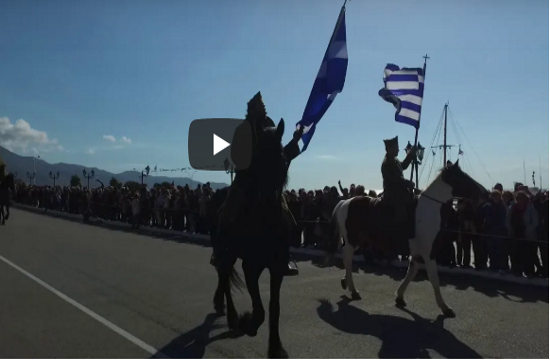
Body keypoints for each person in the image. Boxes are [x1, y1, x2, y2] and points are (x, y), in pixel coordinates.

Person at [217, 92, 304, 275]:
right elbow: (236, 155)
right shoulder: (243, 128)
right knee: (229, 207)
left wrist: (295, 140)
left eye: (265, 107)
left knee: (285, 213)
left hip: (267, 179)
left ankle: (284, 256)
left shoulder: (270, 125)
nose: (264, 109)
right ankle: (221, 249)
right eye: (261, 107)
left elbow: (279, 153)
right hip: (247, 177)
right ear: (252, 109)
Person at [380, 136, 417, 255]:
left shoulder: (395, 161)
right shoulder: (387, 162)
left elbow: (404, 165)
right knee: (402, 214)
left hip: (400, 193)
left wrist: (411, 155)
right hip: (393, 195)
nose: (399, 149)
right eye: (396, 148)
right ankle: (401, 243)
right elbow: (395, 180)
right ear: (390, 149)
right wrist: (409, 184)